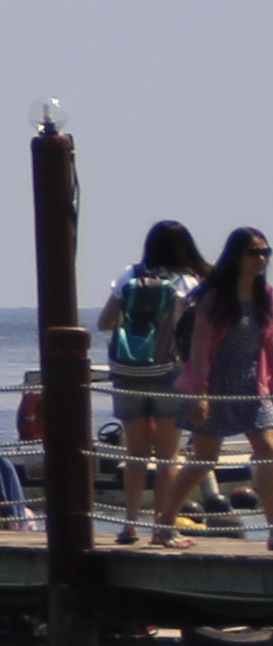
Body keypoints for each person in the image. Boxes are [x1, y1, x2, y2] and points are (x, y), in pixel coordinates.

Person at [107, 218, 208, 542]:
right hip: (169, 373)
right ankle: (162, 530)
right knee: (168, 457)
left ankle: (129, 524)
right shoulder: (188, 283)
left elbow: (105, 321)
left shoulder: (129, 275)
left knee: (135, 455)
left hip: (128, 373)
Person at [171, 227, 273, 541]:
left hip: (252, 387)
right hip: (214, 385)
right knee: (203, 461)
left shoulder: (265, 294)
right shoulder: (215, 296)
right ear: (237, 256)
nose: (261, 259)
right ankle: (163, 522)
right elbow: (200, 345)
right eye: (254, 252)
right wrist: (200, 392)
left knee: (268, 453)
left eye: (266, 253)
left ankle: (271, 528)